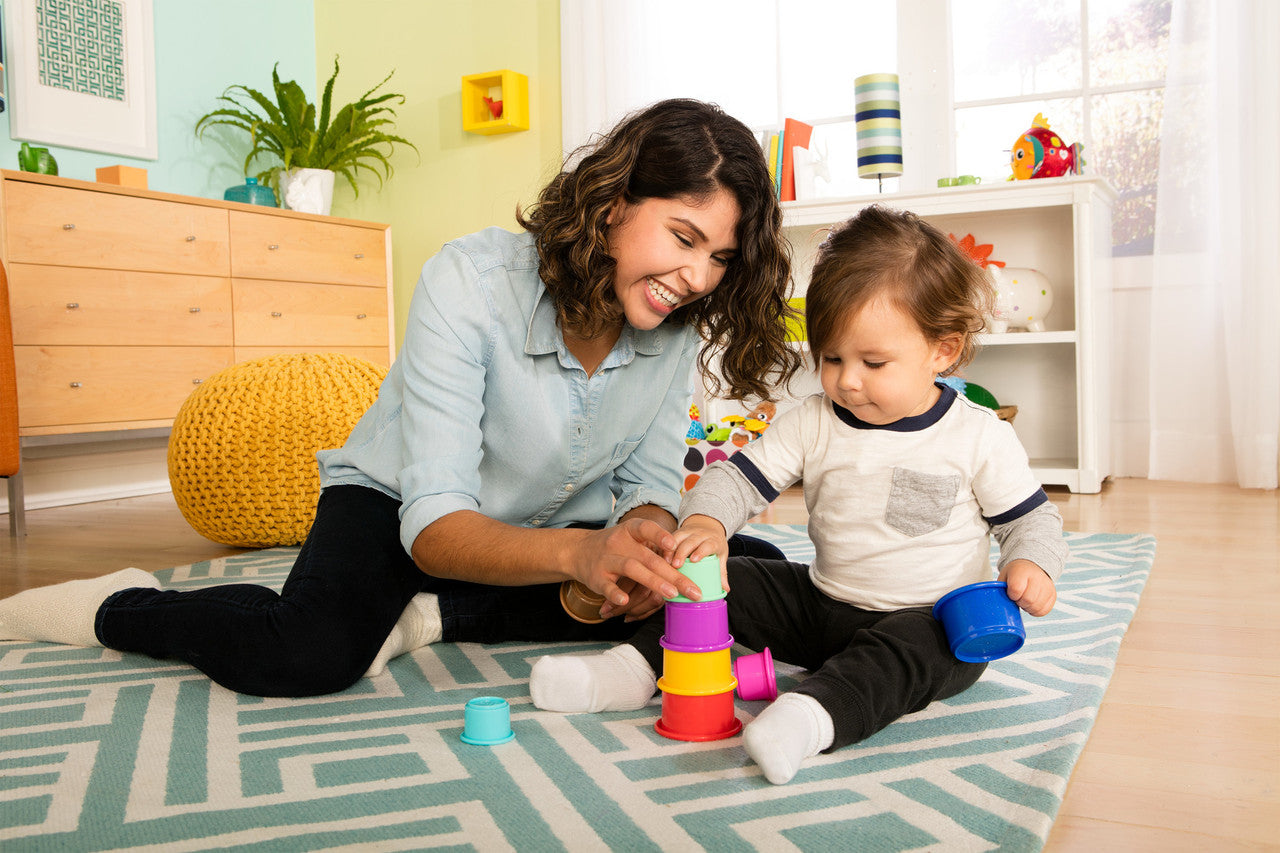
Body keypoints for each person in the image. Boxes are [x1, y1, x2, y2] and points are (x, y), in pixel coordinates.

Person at [0, 99, 804, 697]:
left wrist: (642, 543)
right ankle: (119, 605)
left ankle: (428, 617)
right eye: (684, 237)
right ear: (613, 201)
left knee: (742, 570)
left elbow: (650, 486)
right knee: (308, 652)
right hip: (401, 506)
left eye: (721, 259)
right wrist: (579, 558)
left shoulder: (670, 326)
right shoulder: (469, 283)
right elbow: (435, 527)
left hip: (553, 518)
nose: (697, 277)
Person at [530, 205, 1069, 784]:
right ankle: (631, 670)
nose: (847, 380)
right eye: (831, 357)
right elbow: (737, 479)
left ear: (942, 350)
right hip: (824, 605)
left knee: (913, 651)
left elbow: (1031, 522)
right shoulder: (815, 420)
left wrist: (1032, 564)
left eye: (873, 362)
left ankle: (811, 718)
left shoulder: (978, 435)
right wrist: (709, 523)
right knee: (737, 579)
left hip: (932, 621)